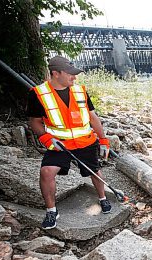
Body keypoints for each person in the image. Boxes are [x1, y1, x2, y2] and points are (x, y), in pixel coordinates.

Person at [27, 55, 111, 230]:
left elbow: (93, 117)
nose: (74, 77)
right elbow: (34, 121)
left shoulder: (80, 91)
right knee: (47, 172)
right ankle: (51, 211)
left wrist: (103, 140)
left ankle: (103, 198)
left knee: (94, 172)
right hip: (60, 144)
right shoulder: (38, 94)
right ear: (55, 74)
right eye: (70, 74)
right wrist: (46, 138)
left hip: (85, 141)